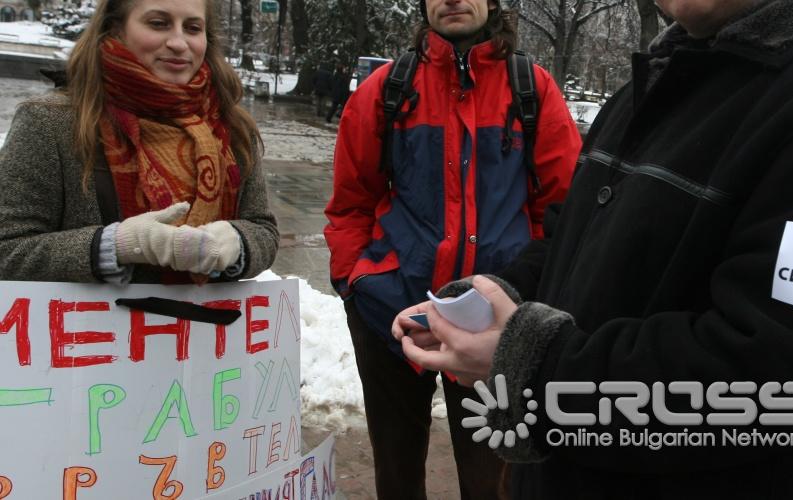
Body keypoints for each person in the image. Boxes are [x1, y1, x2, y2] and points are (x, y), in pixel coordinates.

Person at [392, 0, 793, 498]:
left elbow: (778, 381)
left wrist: (534, 367)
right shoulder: (651, 88)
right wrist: (492, 295)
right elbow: (571, 243)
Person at [324, 0, 581, 497]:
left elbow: (562, 210)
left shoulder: (532, 89)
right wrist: (355, 282)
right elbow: (351, 202)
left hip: (493, 323)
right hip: (391, 312)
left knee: (493, 482)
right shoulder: (389, 89)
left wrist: (525, 293)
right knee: (396, 475)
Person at [0, 0, 278, 284]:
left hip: (205, 326)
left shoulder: (232, 126)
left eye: (193, 28)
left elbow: (263, 229)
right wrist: (115, 245)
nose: (179, 43)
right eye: (158, 23)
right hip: (96, 327)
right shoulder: (49, 122)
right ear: (116, 28)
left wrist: (237, 243)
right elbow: (7, 249)